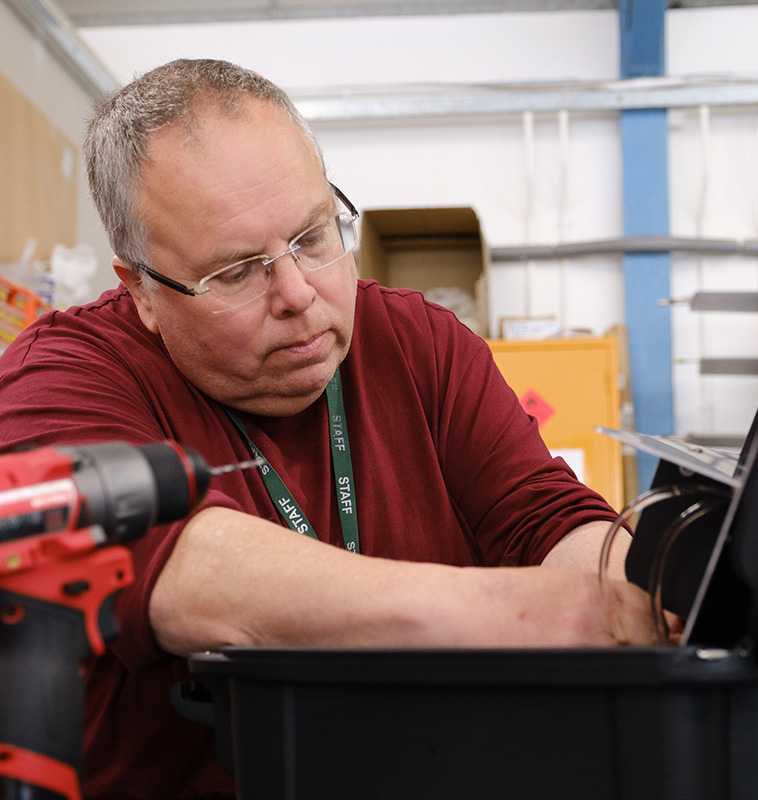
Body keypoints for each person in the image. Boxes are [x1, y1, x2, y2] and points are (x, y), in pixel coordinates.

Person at [0, 59, 657, 798]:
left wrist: (645, 589)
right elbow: (185, 575)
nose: (298, 293)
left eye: (314, 236)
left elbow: (548, 523)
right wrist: (522, 612)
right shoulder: (58, 377)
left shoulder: (420, 345)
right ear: (143, 290)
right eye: (237, 272)